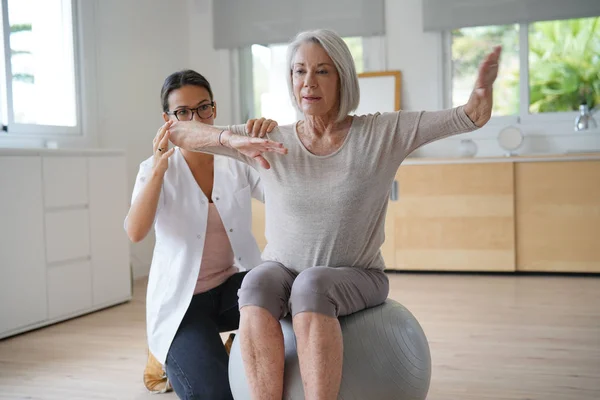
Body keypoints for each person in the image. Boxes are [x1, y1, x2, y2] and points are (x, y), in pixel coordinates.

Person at [167, 29, 502, 400]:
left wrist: (481, 96)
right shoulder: (270, 137)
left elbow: (469, 117)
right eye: (299, 71)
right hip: (284, 270)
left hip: (357, 274)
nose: (308, 82)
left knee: (310, 284)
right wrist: (231, 139)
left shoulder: (381, 133)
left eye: (322, 71)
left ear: (342, 77)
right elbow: (180, 133)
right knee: (255, 283)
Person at [124, 69, 277, 400]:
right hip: (183, 305)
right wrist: (158, 168)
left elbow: (281, 195)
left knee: (289, 295)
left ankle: (236, 342)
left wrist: (268, 142)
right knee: (218, 393)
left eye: (203, 108)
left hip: (235, 290)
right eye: (183, 112)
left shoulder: (235, 160)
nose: (195, 119)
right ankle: (165, 353)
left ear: (215, 109)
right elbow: (135, 231)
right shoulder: (154, 170)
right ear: (168, 119)